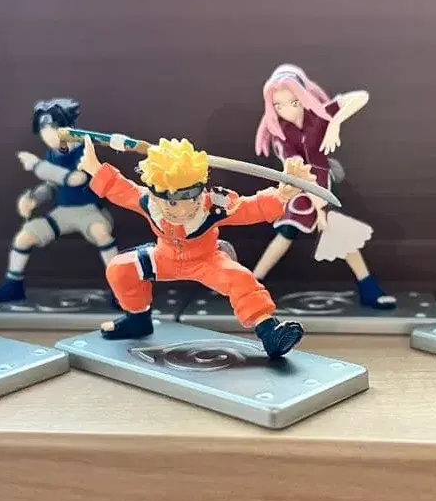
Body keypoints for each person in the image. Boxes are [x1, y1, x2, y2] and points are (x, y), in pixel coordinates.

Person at [80, 134, 315, 358]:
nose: (182, 210)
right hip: (164, 259)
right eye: (172, 202)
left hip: (207, 261)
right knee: (120, 268)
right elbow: (120, 188)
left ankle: (269, 331)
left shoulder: (215, 205)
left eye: (190, 198)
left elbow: (249, 208)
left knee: (240, 278)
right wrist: (95, 169)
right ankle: (137, 320)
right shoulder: (147, 202)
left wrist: (282, 195)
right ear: (155, 196)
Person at [253, 63, 396, 309]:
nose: (287, 110)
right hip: (301, 189)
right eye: (278, 105)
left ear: (302, 97)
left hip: (324, 186)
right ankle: (251, 285)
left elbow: (360, 97)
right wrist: (318, 209)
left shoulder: (319, 116)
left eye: (293, 102)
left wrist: (336, 122)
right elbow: (297, 170)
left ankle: (369, 289)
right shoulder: (282, 135)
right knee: (286, 233)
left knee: (340, 234)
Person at [0, 99, 118, 304]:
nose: (48, 134)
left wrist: (37, 166)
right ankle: (12, 286)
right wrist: (34, 198)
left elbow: (76, 178)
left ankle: (120, 287)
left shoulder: (84, 151)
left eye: (53, 128)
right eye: (44, 129)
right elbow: (52, 185)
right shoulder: (52, 156)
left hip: (90, 211)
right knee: (24, 237)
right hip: (62, 212)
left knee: (101, 233)